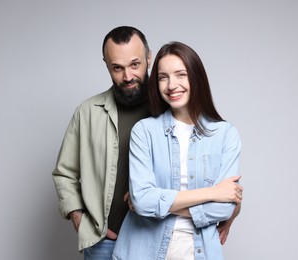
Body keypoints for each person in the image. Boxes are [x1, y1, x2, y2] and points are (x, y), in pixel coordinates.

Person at [113, 41, 243, 260]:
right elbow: (142, 201)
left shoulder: (225, 134)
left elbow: (224, 209)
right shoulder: (144, 132)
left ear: (196, 77)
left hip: (199, 252)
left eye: (180, 74)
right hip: (142, 251)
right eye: (163, 77)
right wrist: (211, 193)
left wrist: (155, 204)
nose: (172, 85)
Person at [52, 26, 151, 259]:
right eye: (117, 68)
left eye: (135, 64)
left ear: (149, 57)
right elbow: (64, 173)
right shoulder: (87, 112)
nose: (127, 76)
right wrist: (80, 219)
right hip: (104, 244)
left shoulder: (170, 111)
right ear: (107, 65)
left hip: (157, 241)